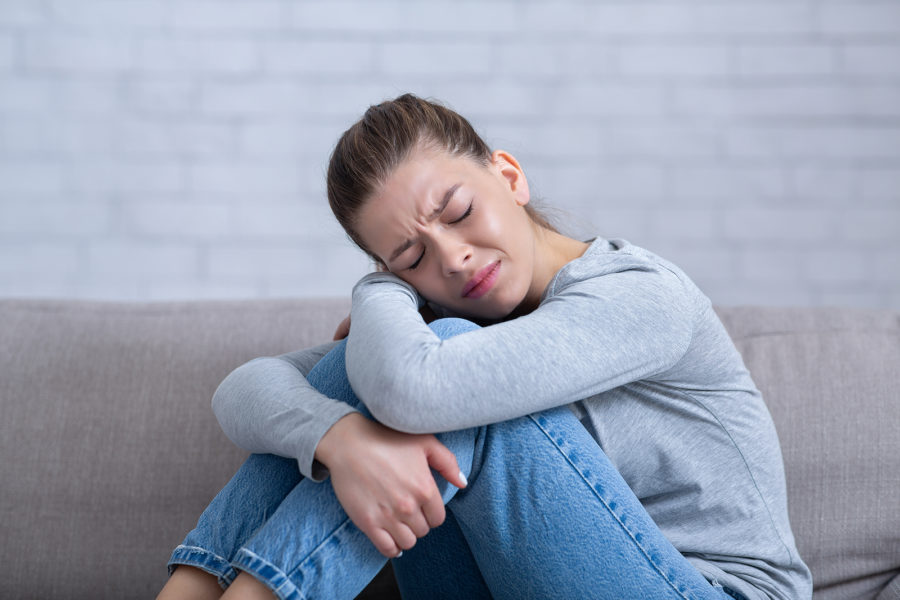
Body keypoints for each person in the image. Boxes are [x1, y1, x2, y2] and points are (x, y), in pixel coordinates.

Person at [157, 94, 812, 600]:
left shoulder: (641, 297)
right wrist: (339, 442)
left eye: (459, 211)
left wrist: (380, 291)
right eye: (412, 255)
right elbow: (244, 390)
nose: (454, 256)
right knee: (351, 376)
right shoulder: (447, 323)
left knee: (428, 362)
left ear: (508, 175)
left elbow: (417, 387)